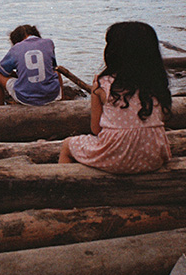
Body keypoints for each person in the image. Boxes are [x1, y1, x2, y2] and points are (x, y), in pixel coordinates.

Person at [58, 21, 172, 174]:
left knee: (67, 145)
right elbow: (162, 118)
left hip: (117, 159)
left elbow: (96, 129)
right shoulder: (157, 83)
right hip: (153, 157)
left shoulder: (102, 83)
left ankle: (62, 183)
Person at [0, 24, 63, 106]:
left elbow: (1, 71)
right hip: (51, 96)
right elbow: (53, 68)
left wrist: (18, 74)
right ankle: (61, 100)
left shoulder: (16, 48)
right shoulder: (49, 43)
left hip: (26, 99)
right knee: (57, 73)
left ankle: (0, 109)